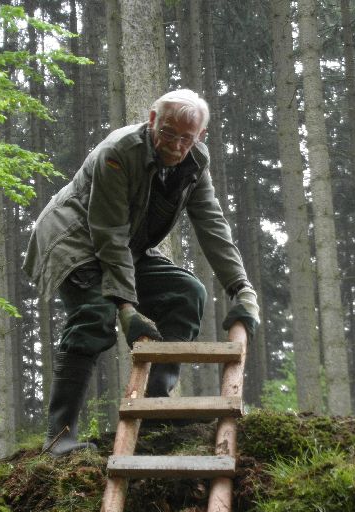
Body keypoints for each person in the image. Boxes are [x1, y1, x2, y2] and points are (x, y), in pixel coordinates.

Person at [23, 89, 260, 456]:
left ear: (201, 136)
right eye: (168, 132)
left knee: (186, 293)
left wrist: (241, 288)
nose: (176, 145)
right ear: (152, 120)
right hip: (74, 238)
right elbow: (108, 232)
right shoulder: (118, 153)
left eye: (187, 137)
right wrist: (126, 308)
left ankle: (156, 409)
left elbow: (212, 224)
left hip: (125, 243)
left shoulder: (196, 162)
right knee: (95, 314)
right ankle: (58, 437)